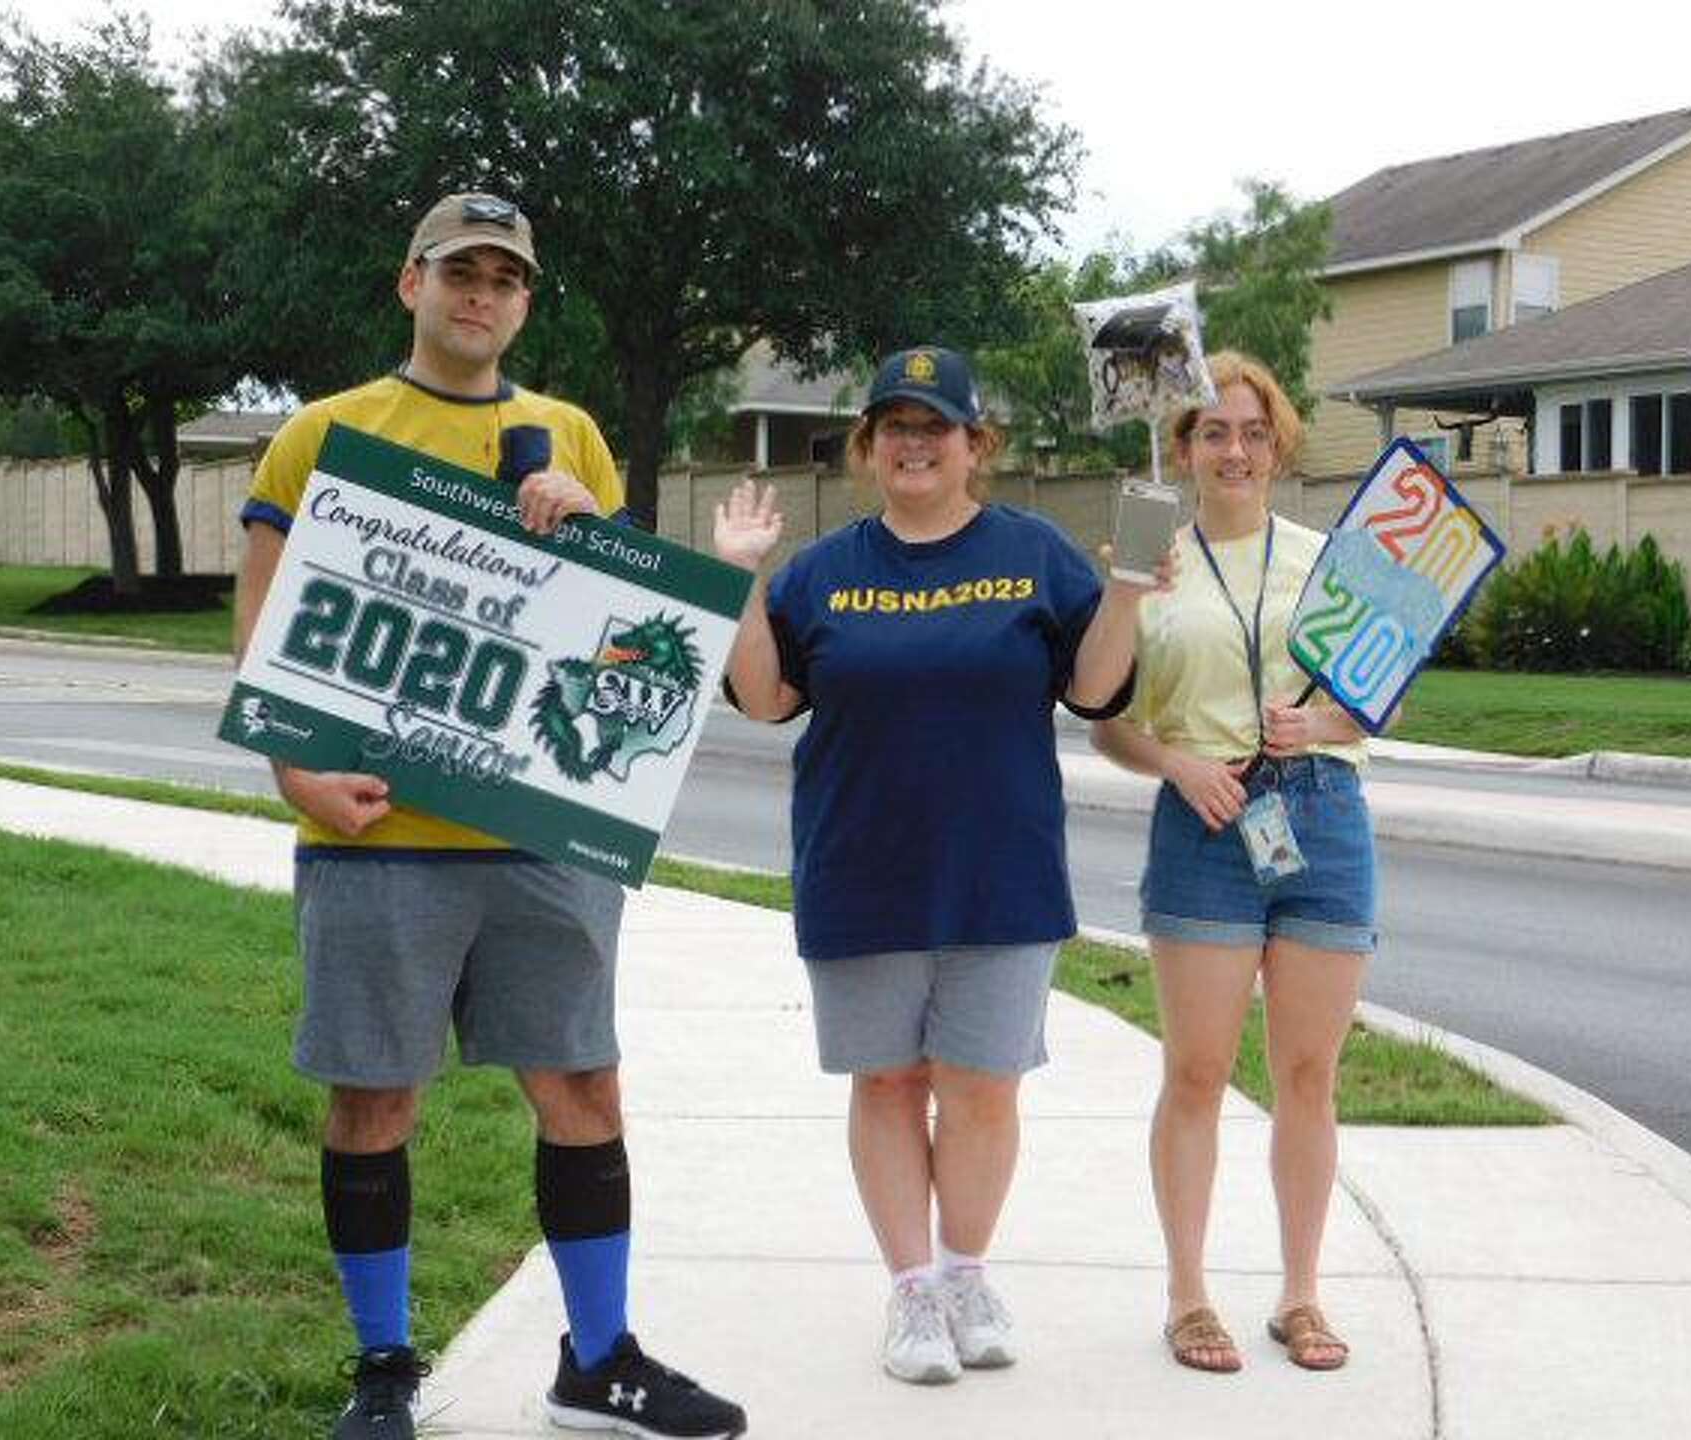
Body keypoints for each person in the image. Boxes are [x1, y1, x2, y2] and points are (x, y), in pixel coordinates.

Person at [232, 192, 746, 1440]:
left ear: (524, 301)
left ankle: (601, 1359)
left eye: (504, 278)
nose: (481, 294)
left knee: (584, 1089)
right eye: (458, 270)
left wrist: (594, 528)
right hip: (380, 833)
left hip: (543, 832)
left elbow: (627, 645)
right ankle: (385, 1370)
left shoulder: (567, 430)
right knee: (373, 1101)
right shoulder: (322, 434)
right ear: (410, 284)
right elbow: (259, 631)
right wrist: (296, 775)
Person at [712, 346, 1172, 1385]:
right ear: (871, 448)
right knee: (887, 1082)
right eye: (895, 427)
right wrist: (738, 583)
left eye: (937, 426)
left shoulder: (1034, 553)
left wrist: (1128, 594)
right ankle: (912, 1291)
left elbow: (1095, 695)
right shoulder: (824, 570)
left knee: (982, 1087)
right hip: (860, 865)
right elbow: (769, 697)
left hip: (1000, 873)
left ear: (976, 446)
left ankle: (966, 1273)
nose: (915, 443)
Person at [1090, 350, 1378, 1375]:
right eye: (1215, 432)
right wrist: (1175, 764)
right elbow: (1104, 722)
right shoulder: (1148, 564)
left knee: (1309, 1073)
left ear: (1278, 445)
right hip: (1205, 823)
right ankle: (1188, 1297)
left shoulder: (1327, 558)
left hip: (1322, 815)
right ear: (1185, 448)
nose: (1238, 449)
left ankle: (1301, 1296)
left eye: (1255, 431)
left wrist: (1323, 720)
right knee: (1199, 1072)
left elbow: (1380, 700)